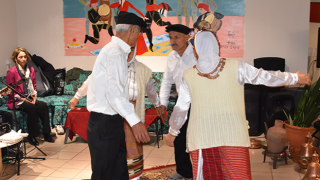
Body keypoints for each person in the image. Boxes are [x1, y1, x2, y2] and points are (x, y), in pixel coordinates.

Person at [165, 29, 312, 179]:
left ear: (196, 48)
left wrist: (172, 132)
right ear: (217, 45)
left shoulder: (188, 75)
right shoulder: (236, 67)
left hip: (202, 139)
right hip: (232, 136)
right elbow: (265, 76)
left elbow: (181, 109)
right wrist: (294, 78)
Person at [69, 45, 160, 180]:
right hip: (113, 116)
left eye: (132, 49)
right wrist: (77, 96)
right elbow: (91, 80)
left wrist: (158, 105)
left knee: (131, 151)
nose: (129, 53)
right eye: (127, 49)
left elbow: (151, 91)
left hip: (132, 117)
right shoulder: (111, 65)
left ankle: (133, 177)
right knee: (111, 157)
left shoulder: (142, 70)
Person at [86, 12, 150, 180]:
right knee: (104, 173)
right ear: (133, 30)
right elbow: (113, 93)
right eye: (139, 33)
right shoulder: (114, 52)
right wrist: (135, 121)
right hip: (104, 123)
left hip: (112, 122)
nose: (138, 38)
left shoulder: (118, 52)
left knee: (119, 169)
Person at [157, 24, 196, 179]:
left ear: (188, 37)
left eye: (177, 37)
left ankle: (204, 171)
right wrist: (162, 103)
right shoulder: (171, 57)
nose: (173, 41)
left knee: (198, 138)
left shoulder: (197, 55)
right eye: (170, 37)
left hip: (199, 102)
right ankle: (184, 171)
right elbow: (167, 81)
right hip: (182, 102)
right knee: (179, 137)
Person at [6, 47, 54, 146]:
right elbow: (9, 91)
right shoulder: (11, 72)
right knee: (32, 108)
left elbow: (34, 86)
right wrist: (23, 99)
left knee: (43, 105)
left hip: (29, 97)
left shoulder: (31, 70)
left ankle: (46, 133)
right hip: (16, 100)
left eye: (25, 57)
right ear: (16, 59)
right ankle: (32, 135)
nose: (23, 59)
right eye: (20, 57)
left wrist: (34, 97)